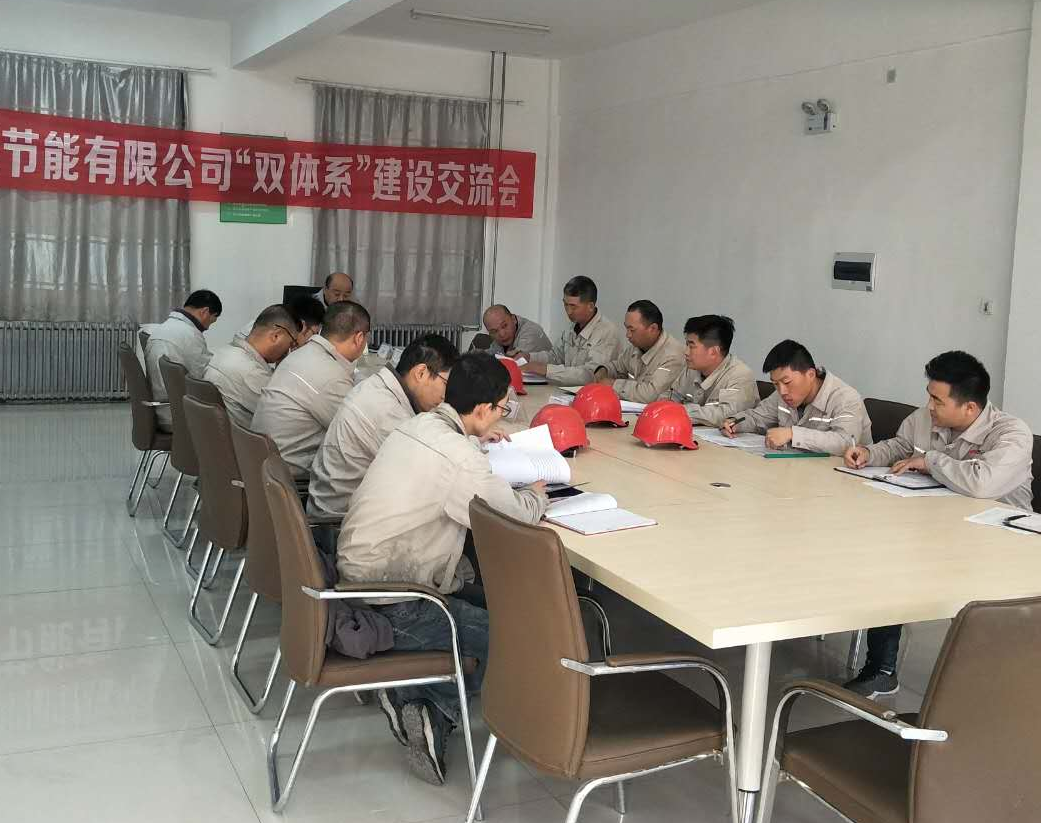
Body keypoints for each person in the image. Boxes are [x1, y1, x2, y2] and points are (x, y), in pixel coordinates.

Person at [336, 352, 548, 785]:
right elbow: (511, 516)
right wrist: (538, 493)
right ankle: (428, 709)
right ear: (484, 408)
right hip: (396, 599)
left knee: (491, 604)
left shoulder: (416, 426)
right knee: (513, 641)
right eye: (501, 407)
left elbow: (450, 469)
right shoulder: (460, 458)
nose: (501, 414)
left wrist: (477, 442)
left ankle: (411, 692)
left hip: (362, 579)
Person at [841, 351, 1034, 698]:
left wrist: (931, 461)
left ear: (970, 408)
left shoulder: (1011, 434)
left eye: (937, 400)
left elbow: (981, 484)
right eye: (929, 396)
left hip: (998, 545)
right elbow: (901, 446)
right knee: (888, 559)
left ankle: (988, 691)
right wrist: (871, 454)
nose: (929, 406)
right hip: (938, 526)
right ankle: (881, 669)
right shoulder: (926, 417)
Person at [309, 333, 460, 520]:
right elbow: (432, 471)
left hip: (339, 507)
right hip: (338, 522)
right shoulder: (387, 411)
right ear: (421, 373)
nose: (446, 396)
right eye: (446, 384)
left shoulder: (379, 387)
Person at [252, 302, 371, 477]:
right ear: (359, 338)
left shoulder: (303, 354)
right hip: (289, 478)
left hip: (265, 464)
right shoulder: (330, 375)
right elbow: (359, 434)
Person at [722, 339, 871, 454]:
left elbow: (845, 442)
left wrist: (793, 434)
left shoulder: (846, 398)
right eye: (775, 384)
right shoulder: (783, 394)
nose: (782, 391)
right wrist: (735, 422)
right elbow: (757, 417)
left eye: (787, 382)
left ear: (810, 374)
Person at [204, 305, 300, 427]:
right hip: (244, 437)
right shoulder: (251, 373)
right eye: (291, 343)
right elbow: (286, 418)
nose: (288, 350)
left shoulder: (224, 353)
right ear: (276, 336)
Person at [516, 276, 623, 385]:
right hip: (568, 389)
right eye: (565, 304)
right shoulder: (573, 326)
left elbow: (591, 375)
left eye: (573, 306)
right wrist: (529, 357)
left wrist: (546, 370)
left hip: (592, 393)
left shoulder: (607, 332)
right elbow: (555, 356)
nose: (568, 311)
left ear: (590, 306)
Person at [145, 290, 221, 430]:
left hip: (161, 409)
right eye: (212, 321)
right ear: (205, 312)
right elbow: (205, 378)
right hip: (175, 415)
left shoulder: (166, 327)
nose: (208, 327)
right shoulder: (189, 334)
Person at [670, 315, 758, 426]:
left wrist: (679, 411)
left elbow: (725, 414)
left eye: (691, 346)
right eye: (686, 345)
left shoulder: (741, 375)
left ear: (713, 351)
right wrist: (665, 406)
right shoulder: (692, 368)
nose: (686, 352)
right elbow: (672, 396)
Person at [592, 300, 685, 403]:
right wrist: (603, 371)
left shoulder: (673, 356)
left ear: (653, 329)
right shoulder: (637, 346)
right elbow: (618, 367)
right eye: (626, 328)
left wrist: (613, 384)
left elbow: (651, 395)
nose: (627, 335)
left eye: (632, 330)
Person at [233, 294, 325, 347]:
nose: (312, 340)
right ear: (303, 326)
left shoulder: (272, 322)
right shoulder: (275, 343)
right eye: (314, 333)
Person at [482, 304, 552, 357]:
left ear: (513, 319)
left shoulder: (531, 332)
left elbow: (514, 362)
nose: (502, 334)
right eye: (494, 331)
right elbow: (491, 355)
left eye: (504, 326)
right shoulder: (501, 336)